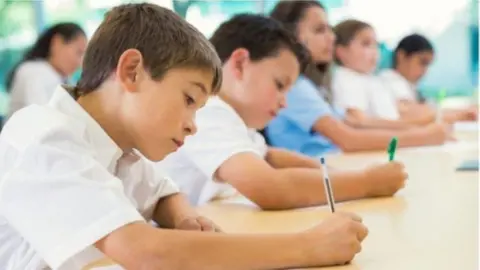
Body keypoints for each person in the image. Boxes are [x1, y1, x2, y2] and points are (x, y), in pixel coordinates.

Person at [0, 4, 367, 269]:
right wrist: (308, 247)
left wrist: (184, 218)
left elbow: (164, 193)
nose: (194, 124)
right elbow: (146, 251)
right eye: (189, 100)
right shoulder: (45, 136)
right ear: (131, 71)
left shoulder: (122, 151)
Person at [157, 13, 407, 211]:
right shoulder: (208, 112)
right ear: (241, 63)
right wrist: (366, 182)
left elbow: (269, 156)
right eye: (279, 85)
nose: (284, 102)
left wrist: (340, 175)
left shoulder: (234, 120)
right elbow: (268, 187)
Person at [265, 1, 450, 157]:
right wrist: (424, 136)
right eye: (320, 30)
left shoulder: (315, 87)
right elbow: (348, 139)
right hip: (321, 173)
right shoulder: (295, 88)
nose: (331, 38)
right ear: (290, 37)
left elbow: (355, 125)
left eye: (330, 30)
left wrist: (417, 130)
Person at [379, 33, 477, 122]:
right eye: (422, 62)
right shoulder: (390, 80)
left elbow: (430, 109)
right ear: (401, 56)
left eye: (428, 65)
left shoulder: (408, 85)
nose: (425, 70)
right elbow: (413, 113)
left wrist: (463, 111)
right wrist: (459, 115)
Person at [5, 22, 87, 119]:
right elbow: (43, 120)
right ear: (57, 42)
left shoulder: (63, 78)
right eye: (79, 52)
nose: (80, 63)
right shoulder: (33, 72)